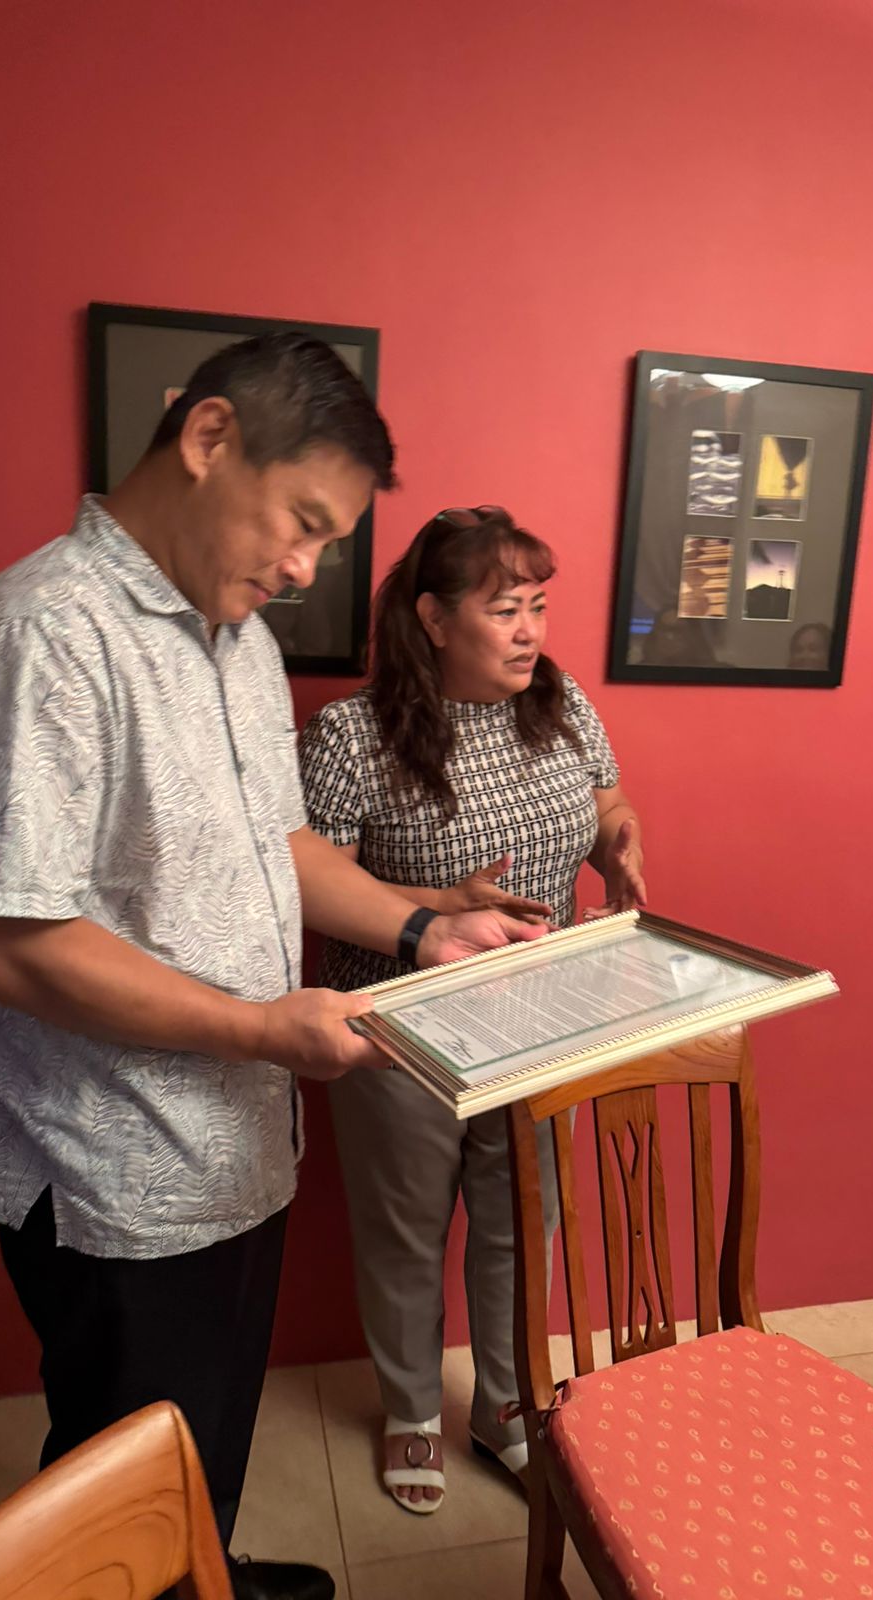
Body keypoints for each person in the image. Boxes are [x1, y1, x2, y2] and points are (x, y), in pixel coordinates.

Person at [0, 342, 542, 1600]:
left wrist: (423, 930)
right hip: (116, 1174)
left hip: (240, 1151)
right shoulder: (40, 633)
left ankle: (205, 1565)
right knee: (117, 1478)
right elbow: (0, 941)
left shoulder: (238, 639)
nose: (309, 565)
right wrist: (264, 1032)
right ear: (209, 439)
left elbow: (278, 844)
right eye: (303, 522)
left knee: (199, 1442)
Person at [298, 506, 646, 1515]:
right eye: (507, 610)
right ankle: (411, 1411)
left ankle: (504, 1408)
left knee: (517, 1222)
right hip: (404, 1032)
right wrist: (425, 916)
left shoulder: (564, 703)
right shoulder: (350, 735)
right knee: (405, 1229)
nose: (532, 629)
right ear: (435, 620)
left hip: (546, 1018)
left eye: (539, 605)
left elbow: (611, 804)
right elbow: (299, 877)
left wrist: (619, 844)